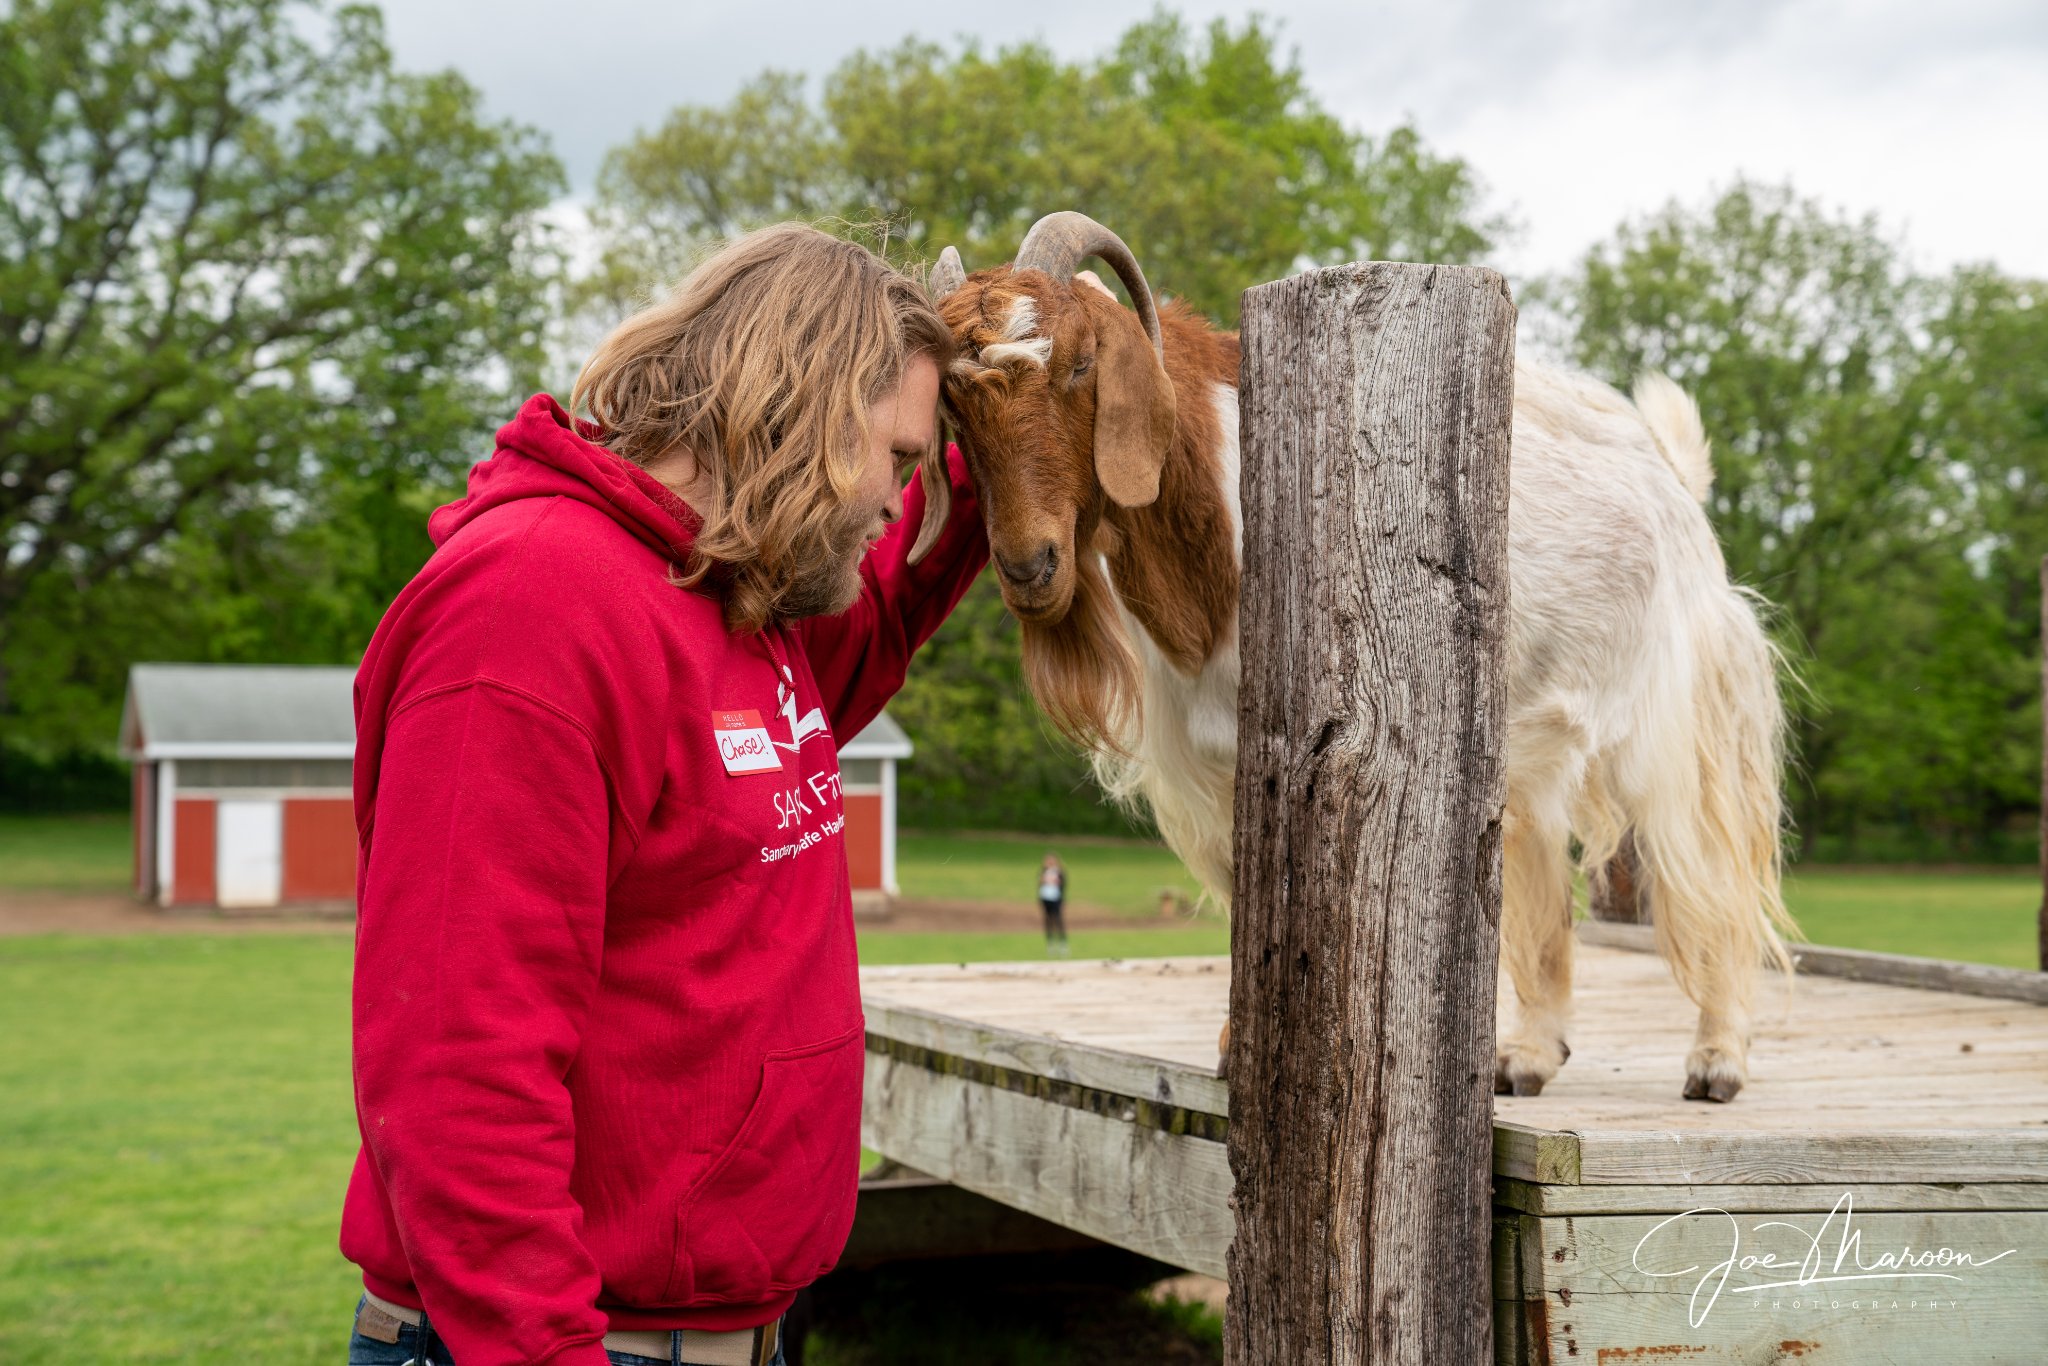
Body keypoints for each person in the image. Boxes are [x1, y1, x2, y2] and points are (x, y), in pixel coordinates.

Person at [339, 225, 987, 1366]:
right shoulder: (531, 607)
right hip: (566, 1344)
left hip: (728, 1331)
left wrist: (1003, 461)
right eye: (897, 457)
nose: (901, 497)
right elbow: (457, 1067)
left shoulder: (736, 593)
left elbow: (876, 614)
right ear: (800, 404)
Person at [1038, 853, 1068, 956]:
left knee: (1058, 920)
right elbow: (1040, 885)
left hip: (1056, 898)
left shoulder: (1059, 872)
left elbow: (1063, 885)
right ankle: (1050, 944)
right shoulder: (1043, 871)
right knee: (1048, 921)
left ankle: (1062, 944)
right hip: (1046, 898)